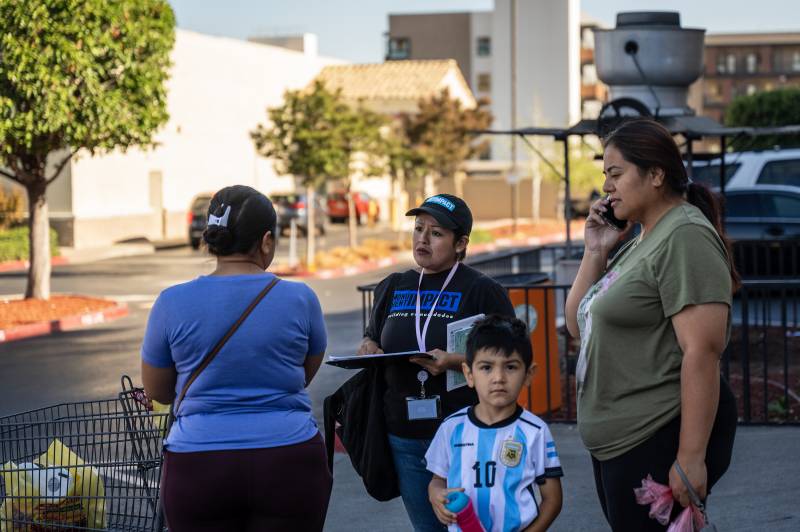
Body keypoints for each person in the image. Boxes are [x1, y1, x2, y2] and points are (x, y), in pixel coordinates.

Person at [565, 119, 739, 531]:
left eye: (616, 173)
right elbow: (577, 324)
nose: (606, 187)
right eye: (604, 175)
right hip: (619, 443)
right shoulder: (643, 239)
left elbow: (702, 350)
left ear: (656, 174)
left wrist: (690, 457)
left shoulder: (685, 235)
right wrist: (596, 250)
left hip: (654, 437)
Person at [141, 185, 331, 531]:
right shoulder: (301, 298)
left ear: (212, 240)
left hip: (198, 464)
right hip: (289, 459)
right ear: (267, 241)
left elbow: (158, 391)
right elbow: (304, 372)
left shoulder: (171, 302)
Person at [357, 194, 515, 531]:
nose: (422, 239)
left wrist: (456, 361)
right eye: (418, 229)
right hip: (404, 436)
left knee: (473, 526)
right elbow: (372, 335)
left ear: (461, 243)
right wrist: (369, 345)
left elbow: (511, 357)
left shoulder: (482, 290)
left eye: (436, 233)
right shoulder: (394, 286)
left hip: (465, 435)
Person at [426, 315, 564, 532]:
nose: (498, 377)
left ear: (528, 374)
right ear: (469, 374)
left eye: (510, 367)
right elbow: (437, 480)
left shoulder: (534, 432)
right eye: (486, 367)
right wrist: (435, 495)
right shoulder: (451, 428)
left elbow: (553, 500)